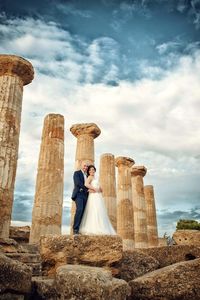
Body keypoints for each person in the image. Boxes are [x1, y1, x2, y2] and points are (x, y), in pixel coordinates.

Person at [79, 165, 116, 235]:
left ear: (95, 170)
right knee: (94, 210)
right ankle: (94, 228)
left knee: (100, 210)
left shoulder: (95, 178)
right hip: (93, 195)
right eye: (90, 170)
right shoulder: (89, 177)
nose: (91, 171)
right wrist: (94, 188)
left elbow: (99, 187)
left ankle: (101, 226)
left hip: (98, 195)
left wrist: (100, 189)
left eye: (93, 169)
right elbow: (86, 184)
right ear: (88, 171)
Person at [71, 160, 89, 235]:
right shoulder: (77, 173)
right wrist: (87, 189)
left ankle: (80, 229)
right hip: (79, 194)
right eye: (84, 165)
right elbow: (77, 183)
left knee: (84, 212)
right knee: (79, 209)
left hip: (86, 196)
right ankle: (75, 229)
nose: (85, 167)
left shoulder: (88, 176)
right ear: (81, 166)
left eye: (87, 166)